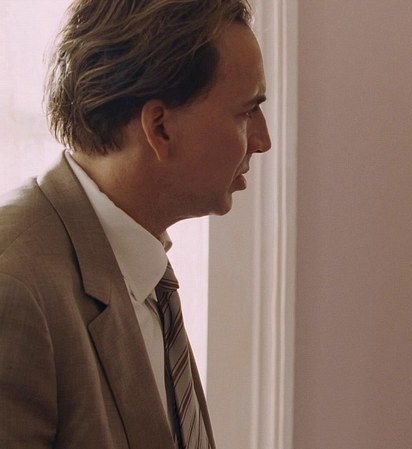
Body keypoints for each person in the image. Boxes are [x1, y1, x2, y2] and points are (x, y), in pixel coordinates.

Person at [0, 0, 271, 447]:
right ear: (159, 128)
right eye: (246, 112)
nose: (262, 140)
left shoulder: (143, 273)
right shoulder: (14, 286)